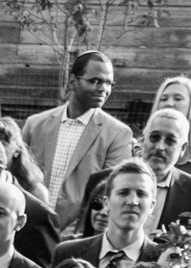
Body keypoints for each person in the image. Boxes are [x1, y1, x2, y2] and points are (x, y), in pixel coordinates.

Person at [23, 50, 135, 235]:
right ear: (73, 81)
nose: (103, 89)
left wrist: (77, 236)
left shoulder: (118, 134)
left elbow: (109, 193)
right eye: (95, 81)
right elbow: (20, 179)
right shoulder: (35, 125)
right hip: (28, 228)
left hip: (77, 237)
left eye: (109, 83)